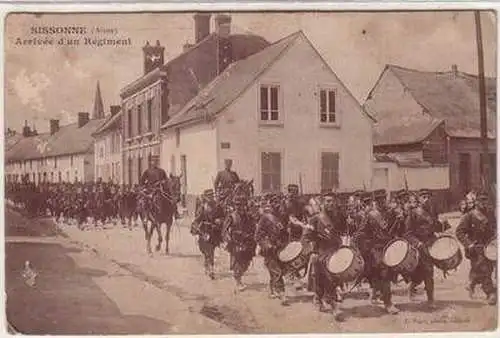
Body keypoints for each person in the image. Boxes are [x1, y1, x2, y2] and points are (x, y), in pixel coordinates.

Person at [353, 192, 399, 314]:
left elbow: (397, 229)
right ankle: (388, 303)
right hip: (376, 248)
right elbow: (361, 233)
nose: (382, 202)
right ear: (376, 202)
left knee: (384, 274)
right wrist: (367, 245)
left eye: (384, 199)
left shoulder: (391, 213)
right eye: (379, 200)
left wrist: (400, 219)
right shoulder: (370, 215)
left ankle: (375, 295)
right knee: (384, 272)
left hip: (388, 246)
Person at [304, 192, 346, 321]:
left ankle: (325, 300)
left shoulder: (339, 217)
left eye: (332, 201)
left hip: (335, 251)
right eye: (327, 201)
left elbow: (343, 232)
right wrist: (313, 252)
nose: (330, 203)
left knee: (331, 278)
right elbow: (307, 237)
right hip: (320, 252)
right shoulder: (315, 218)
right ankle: (330, 303)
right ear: (322, 203)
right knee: (325, 279)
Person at [456, 192, 497, 305]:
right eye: (482, 200)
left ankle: (471, 283)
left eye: (486, 200)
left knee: (485, 269)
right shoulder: (469, 216)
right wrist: (468, 244)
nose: (484, 203)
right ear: (476, 202)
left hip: (489, 246)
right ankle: (490, 293)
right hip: (475, 248)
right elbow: (459, 232)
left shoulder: (490, 214)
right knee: (484, 269)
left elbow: (494, 228)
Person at [403, 190, 438, 308]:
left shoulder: (432, 211)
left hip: (429, 245)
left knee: (428, 272)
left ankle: (430, 298)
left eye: (428, 197)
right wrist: (417, 243)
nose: (427, 199)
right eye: (424, 197)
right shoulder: (413, 213)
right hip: (418, 247)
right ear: (419, 199)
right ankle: (412, 287)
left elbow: (435, 227)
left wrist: (443, 226)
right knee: (418, 274)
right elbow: (407, 234)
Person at [255, 193, 289, 305]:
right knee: (276, 271)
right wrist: (266, 244)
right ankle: (282, 293)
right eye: (273, 202)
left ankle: (272, 289)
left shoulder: (283, 217)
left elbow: (285, 234)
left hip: (281, 249)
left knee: (278, 271)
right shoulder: (265, 218)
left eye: (278, 201)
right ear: (270, 204)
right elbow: (258, 235)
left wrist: (285, 243)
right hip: (269, 250)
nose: (276, 204)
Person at [224, 194, 257, 291]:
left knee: (246, 263)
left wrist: (253, 236)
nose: (239, 207)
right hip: (236, 242)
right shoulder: (231, 216)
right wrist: (228, 238)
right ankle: (238, 281)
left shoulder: (248, 216)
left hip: (247, 242)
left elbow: (253, 227)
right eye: (237, 205)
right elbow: (225, 230)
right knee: (237, 262)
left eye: (241, 205)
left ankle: (239, 276)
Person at [191, 189, 224, 280]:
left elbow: (223, 217)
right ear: (205, 197)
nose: (211, 198)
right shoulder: (202, 208)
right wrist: (195, 226)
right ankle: (207, 263)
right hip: (204, 231)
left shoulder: (218, 207)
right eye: (208, 196)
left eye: (212, 196)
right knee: (204, 250)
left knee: (211, 251)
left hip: (214, 232)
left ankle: (211, 269)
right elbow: (197, 220)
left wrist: (220, 220)